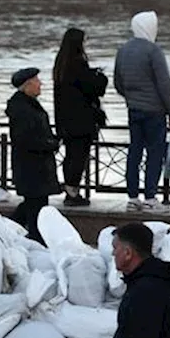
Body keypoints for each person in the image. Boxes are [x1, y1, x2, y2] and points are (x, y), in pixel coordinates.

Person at [114, 11, 170, 212]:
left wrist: (131, 98)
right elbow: (163, 85)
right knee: (154, 153)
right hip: (154, 111)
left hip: (133, 109)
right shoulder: (153, 51)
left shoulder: (123, 50)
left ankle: (133, 197)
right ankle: (150, 197)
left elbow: (118, 82)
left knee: (134, 152)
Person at [52, 27, 108, 207]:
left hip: (65, 120)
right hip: (81, 121)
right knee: (78, 156)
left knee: (71, 156)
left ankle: (70, 189)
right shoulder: (77, 64)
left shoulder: (61, 64)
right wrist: (100, 77)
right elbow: (91, 87)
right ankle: (72, 192)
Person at [5, 67, 60, 243]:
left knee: (33, 205)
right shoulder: (23, 109)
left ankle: (6, 231)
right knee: (36, 207)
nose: (40, 84)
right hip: (32, 167)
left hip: (36, 167)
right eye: (37, 81)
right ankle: (35, 241)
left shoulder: (28, 105)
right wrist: (50, 144)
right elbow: (26, 140)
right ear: (27, 85)